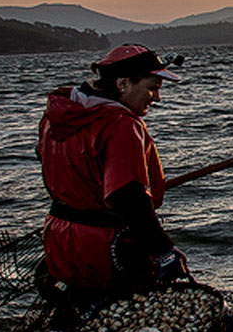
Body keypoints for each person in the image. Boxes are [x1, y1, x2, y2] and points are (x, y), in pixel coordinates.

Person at [37, 44, 186, 303]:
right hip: (104, 245)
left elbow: (52, 163)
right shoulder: (120, 124)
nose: (156, 98)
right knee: (128, 313)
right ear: (124, 83)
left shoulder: (56, 116)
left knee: (80, 311)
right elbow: (126, 195)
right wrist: (164, 250)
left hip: (59, 237)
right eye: (152, 87)